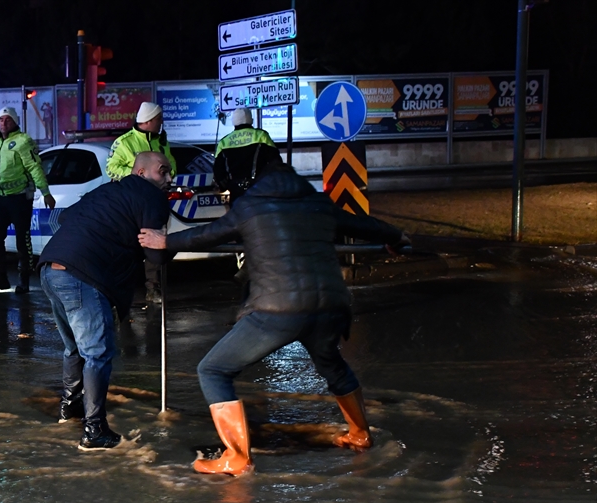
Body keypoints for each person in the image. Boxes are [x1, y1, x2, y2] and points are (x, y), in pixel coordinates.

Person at [138, 157, 408, 475]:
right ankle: (360, 434)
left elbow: (209, 235)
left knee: (213, 370)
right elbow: (364, 225)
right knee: (333, 365)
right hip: (330, 307)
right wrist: (396, 237)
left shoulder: (251, 205)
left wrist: (166, 240)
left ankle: (236, 457)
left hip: (277, 312)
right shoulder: (318, 202)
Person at [39, 152, 174, 450]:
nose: (169, 180)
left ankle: (70, 407)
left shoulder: (108, 190)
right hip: (81, 274)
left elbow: (65, 217)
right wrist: (171, 245)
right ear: (144, 172)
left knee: (75, 347)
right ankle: (94, 430)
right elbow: (155, 253)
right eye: (164, 172)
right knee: (97, 353)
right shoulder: (152, 197)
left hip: (50, 268)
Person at [106, 102, 178, 306]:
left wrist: (168, 178)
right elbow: (111, 169)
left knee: (154, 241)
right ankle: (120, 291)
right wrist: (137, 177)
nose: (161, 122)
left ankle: (153, 288)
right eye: (159, 118)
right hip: (131, 202)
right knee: (128, 244)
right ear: (149, 120)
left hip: (156, 200)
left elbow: (171, 165)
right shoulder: (125, 142)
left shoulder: (162, 142)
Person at [0, 107, 55, 294]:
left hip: (19, 198)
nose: (4, 123)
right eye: (1, 120)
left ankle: (24, 280)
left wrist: (45, 192)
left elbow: (34, 167)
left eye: (8, 120)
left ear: (15, 122)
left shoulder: (23, 141)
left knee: (23, 239)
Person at [214, 108, 280, 204]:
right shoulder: (261, 136)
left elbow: (218, 170)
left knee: (238, 217)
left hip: (236, 191)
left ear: (234, 121)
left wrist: (224, 187)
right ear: (251, 120)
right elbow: (276, 162)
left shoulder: (224, 142)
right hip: (260, 189)